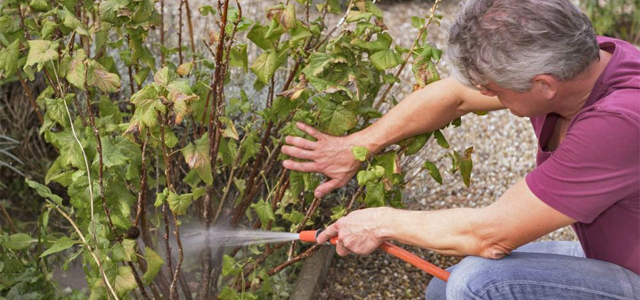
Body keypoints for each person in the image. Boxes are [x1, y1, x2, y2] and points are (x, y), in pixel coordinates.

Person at [281, 0, 640, 299]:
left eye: (494, 89)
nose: (484, 96)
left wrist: (380, 222)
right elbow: (454, 97)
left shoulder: (619, 122)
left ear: (544, 85)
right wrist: (358, 145)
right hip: (615, 259)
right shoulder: (577, 58)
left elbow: (490, 236)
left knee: (477, 284)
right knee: (445, 287)